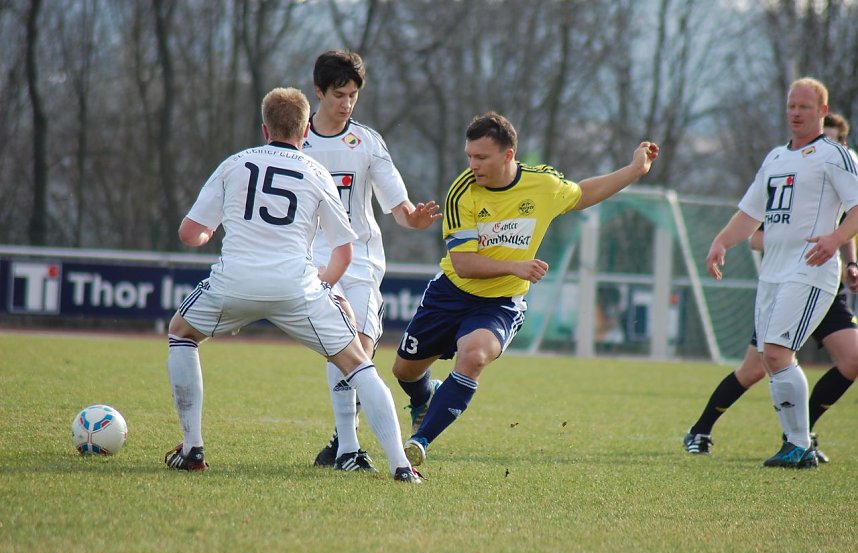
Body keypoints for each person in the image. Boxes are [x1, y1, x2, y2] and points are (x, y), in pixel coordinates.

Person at [163, 86, 422, 483]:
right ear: (305, 132)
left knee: (181, 333)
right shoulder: (316, 173)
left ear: (264, 130)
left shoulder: (235, 164)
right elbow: (344, 252)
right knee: (358, 364)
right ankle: (401, 466)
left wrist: (208, 233)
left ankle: (192, 448)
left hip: (235, 283)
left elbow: (189, 233)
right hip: (296, 288)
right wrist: (326, 288)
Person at [392, 111, 659, 467]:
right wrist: (515, 266)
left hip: (500, 303)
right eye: (469, 156)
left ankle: (420, 441)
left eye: (481, 157)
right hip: (451, 294)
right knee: (404, 371)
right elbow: (464, 264)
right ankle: (424, 399)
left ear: (508, 155)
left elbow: (583, 193)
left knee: (474, 357)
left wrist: (634, 170)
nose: (473, 165)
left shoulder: (543, 184)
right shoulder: (462, 192)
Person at [684, 113, 858, 461]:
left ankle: (801, 435)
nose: (829, 145)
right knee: (755, 369)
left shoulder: (838, 173)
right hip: (785, 283)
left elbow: (845, 231)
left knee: (853, 359)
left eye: (836, 140)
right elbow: (756, 231)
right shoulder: (790, 170)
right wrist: (784, 243)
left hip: (822, 287)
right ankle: (700, 429)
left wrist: (851, 263)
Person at [304, 50, 442, 471]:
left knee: (360, 349)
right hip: (312, 260)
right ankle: (348, 447)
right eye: (338, 95)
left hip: (361, 260)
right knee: (343, 346)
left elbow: (397, 204)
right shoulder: (297, 140)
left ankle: (342, 442)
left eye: (353, 95)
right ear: (318, 92)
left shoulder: (366, 142)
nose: (346, 103)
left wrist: (412, 217)